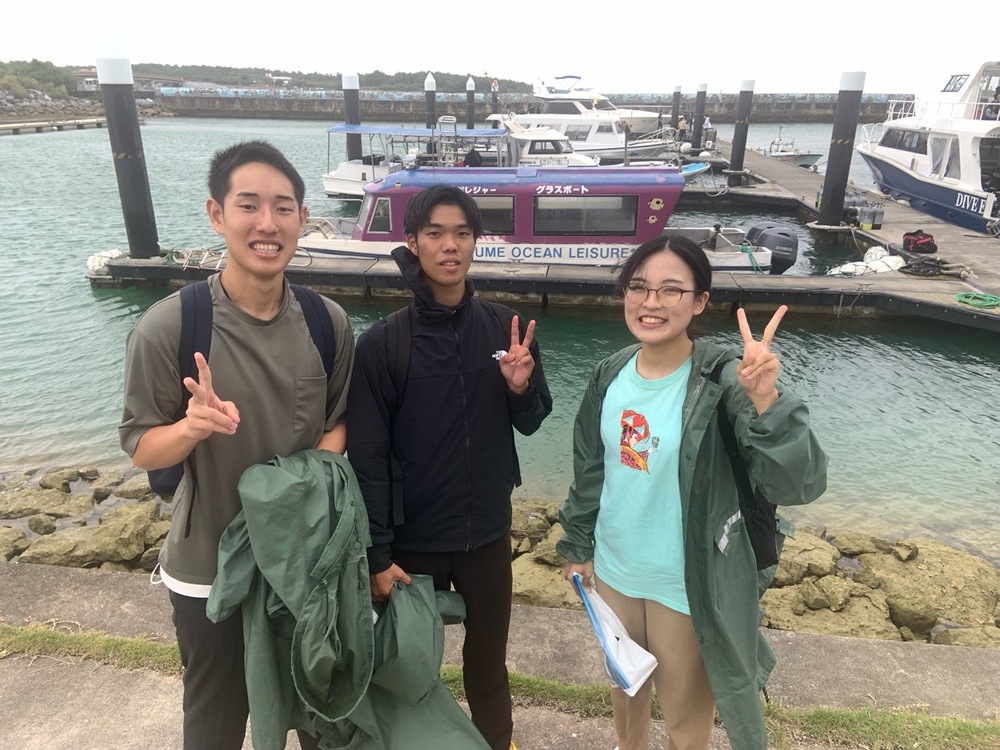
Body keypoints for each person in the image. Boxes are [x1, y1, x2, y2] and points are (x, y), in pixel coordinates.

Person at [119, 140, 355, 750]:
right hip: (208, 570)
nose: (267, 223)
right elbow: (142, 447)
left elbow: (336, 424)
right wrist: (190, 428)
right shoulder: (170, 327)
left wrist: (300, 488)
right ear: (216, 214)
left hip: (302, 566)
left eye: (283, 207)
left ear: (303, 219)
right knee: (215, 722)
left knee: (323, 715)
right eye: (248, 205)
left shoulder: (327, 323)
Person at [557, 235, 827, 750]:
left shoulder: (727, 381)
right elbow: (591, 469)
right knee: (626, 696)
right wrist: (576, 545)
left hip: (684, 581)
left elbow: (800, 482)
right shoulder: (609, 373)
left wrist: (767, 401)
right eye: (639, 287)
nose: (651, 302)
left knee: (684, 721)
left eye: (671, 290)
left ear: (700, 301)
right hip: (614, 571)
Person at [346, 184, 552, 750]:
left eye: (462, 233)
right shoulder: (383, 345)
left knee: (489, 668)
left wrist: (519, 388)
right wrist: (377, 555)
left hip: (486, 536)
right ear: (412, 241)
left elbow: (534, 420)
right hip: (412, 545)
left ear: (476, 241)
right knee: (409, 670)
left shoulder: (507, 329)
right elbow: (366, 458)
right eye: (434, 233)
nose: (450, 245)